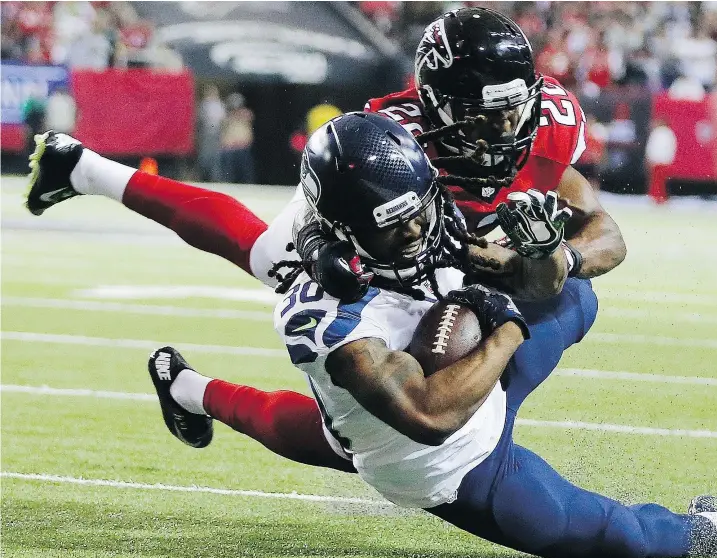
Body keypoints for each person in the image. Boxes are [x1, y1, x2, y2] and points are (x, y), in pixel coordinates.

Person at [24, 8, 621, 478]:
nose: (508, 128)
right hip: (393, 253)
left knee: (359, 440)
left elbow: (606, 235)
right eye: (485, 115)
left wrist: (556, 255)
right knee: (268, 262)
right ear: (437, 104)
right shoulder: (392, 140)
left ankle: (187, 388)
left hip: (451, 256)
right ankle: (85, 172)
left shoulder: (548, 122)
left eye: (517, 107)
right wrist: (322, 254)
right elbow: (321, 220)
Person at [147, 113, 717, 558]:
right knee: (622, 537)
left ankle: (190, 390)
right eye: (392, 224)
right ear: (342, 231)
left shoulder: (418, 212)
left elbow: (562, 247)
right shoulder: (327, 317)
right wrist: (506, 324)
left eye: (420, 209)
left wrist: (533, 253)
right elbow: (429, 416)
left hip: (469, 358)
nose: (415, 229)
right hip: (453, 461)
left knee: (578, 297)